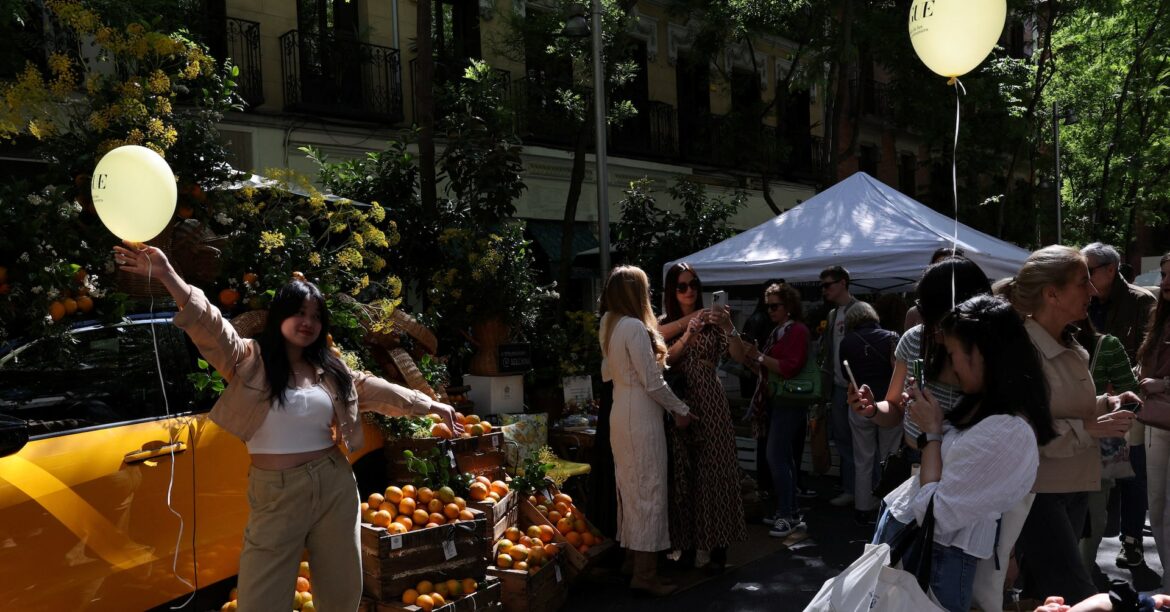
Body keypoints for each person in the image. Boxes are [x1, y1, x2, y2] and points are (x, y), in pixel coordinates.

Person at [112, 242, 460, 611]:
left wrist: (429, 403)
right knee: (260, 600)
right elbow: (210, 325)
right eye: (297, 312)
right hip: (276, 493)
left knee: (341, 595)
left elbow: (376, 389)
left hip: (334, 486)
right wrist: (167, 274)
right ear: (279, 317)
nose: (307, 322)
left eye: (314, 315)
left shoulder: (333, 371)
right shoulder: (249, 360)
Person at [872, 295, 1055, 612]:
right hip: (921, 551)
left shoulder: (1009, 432)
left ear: (980, 354)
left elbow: (937, 514)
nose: (950, 365)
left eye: (953, 353)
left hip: (932, 559)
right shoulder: (986, 410)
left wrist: (931, 431)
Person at [996, 245, 1139, 604]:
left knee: (1046, 595)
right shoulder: (1021, 351)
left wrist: (1107, 403)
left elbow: (1056, 408)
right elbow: (1018, 430)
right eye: (1082, 282)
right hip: (1038, 492)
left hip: (1072, 486)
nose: (1092, 290)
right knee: (1082, 596)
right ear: (1051, 293)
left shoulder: (1070, 343)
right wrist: (1090, 428)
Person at [598, 265, 693, 596]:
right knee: (649, 492)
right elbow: (653, 382)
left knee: (631, 491)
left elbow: (609, 374)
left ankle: (631, 561)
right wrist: (681, 409)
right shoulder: (635, 327)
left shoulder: (609, 324)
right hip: (640, 416)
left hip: (620, 411)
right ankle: (646, 574)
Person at [657, 263, 747, 573]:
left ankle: (719, 545)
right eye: (681, 286)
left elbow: (738, 356)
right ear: (672, 291)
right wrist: (687, 332)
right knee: (685, 473)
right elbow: (662, 362)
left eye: (693, 283)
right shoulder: (665, 323)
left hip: (712, 400)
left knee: (717, 470)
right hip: (680, 400)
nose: (690, 290)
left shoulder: (714, 320)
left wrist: (728, 327)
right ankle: (689, 546)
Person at [1081, 242, 1155, 568]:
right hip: (1088, 401)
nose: (1084, 278)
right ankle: (1085, 553)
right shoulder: (1083, 300)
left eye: (1089, 271)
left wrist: (1122, 382)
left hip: (1126, 399)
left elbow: (1147, 353)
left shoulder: (1142, 301)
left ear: (1111, 270)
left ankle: (1131, 539)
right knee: (1094, 479)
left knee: (1131, 472)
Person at [743, 283, 811, 537]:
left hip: (789, 401)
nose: (770, 310)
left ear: (789, 306)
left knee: (776, 457)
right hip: (780, 400)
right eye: (767, 305)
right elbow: (772, 368)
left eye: (775, 306)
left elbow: (788, 367)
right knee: (783, 458)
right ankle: (790, 512)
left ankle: (786, 514)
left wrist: (759, 357)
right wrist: (754, 359)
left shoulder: (796, 331)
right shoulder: (782, 330)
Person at [1073, 319, 1139, 576]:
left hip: (1094, 449)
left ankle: (1081, 578)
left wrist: (1112, 403)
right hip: (1065, 452)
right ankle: (1080, 575)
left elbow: (1131, 394)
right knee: (1089, 515)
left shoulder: (1107, 346)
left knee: (1093, 515)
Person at [838, 301, 900, 524]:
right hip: (889, 404)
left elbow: (845, 375)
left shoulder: (846, 342)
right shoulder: (892, 336)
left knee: (862, 457)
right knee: (889, 457)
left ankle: (862, 506)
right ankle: (888, 507)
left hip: (860, 404)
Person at [1137, 252, 1170, 592]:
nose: (1165, 282)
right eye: (1163, 274)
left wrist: (1165, 385)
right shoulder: (1158, 316)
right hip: (1155, 421)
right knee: (1157, 505)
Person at [818, 265, 860, 508]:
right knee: (843, 439)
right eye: (822, 286)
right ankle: (850, 487)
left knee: (858, 440)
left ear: (843, 282)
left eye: (828, 285)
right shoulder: (833, 315)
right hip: (837, 386)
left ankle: (857, 488)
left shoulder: (860, 310)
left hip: (855, 388)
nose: (824, 290)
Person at [903, 246, 967, 330]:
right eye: (938, 266)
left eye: (950, 266)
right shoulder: (915, 313)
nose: (943, 272)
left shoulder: (971, 311)